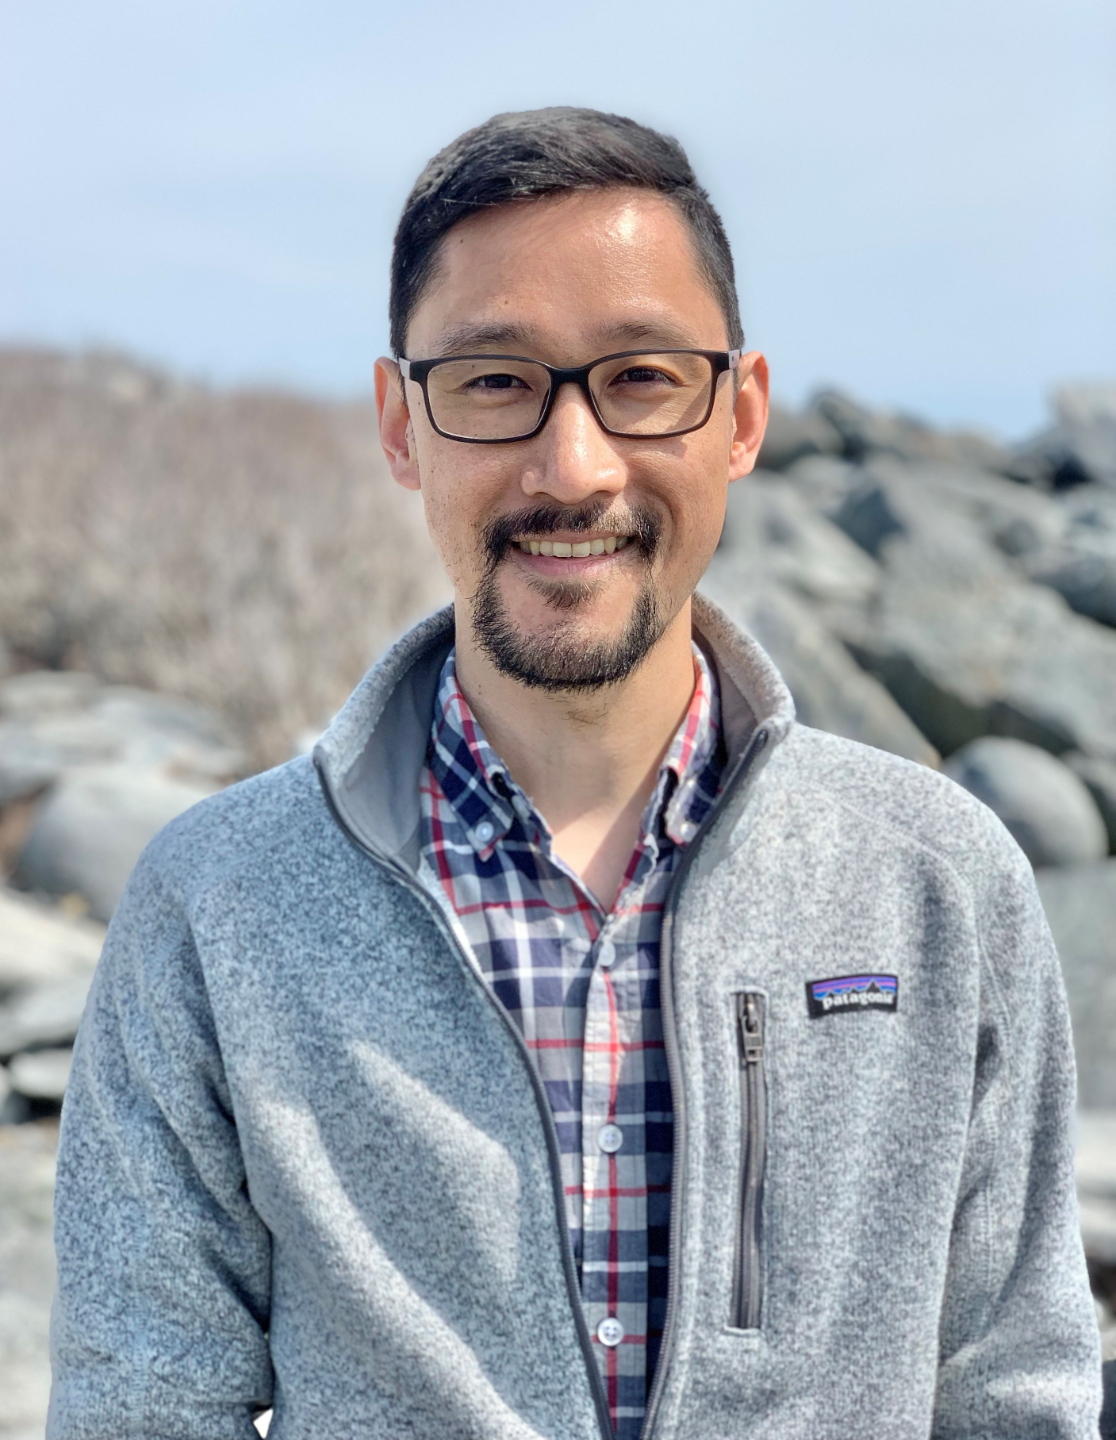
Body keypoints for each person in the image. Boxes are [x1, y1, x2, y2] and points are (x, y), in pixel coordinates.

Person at [48, 107, 1101, 1440]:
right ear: (401, 425)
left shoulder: (939, 882)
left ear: (741, 416)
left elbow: (1016, 1397)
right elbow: (140, 1408)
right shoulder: (216, 906)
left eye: (642, 378)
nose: (574, 467)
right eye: (495, 382)